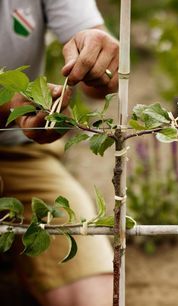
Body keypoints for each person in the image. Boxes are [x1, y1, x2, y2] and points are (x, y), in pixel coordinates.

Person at [0, 1, 119, 306]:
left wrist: (101, 61)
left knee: (99, 298)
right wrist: (10, 107)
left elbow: (104, 83)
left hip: (17, 154)